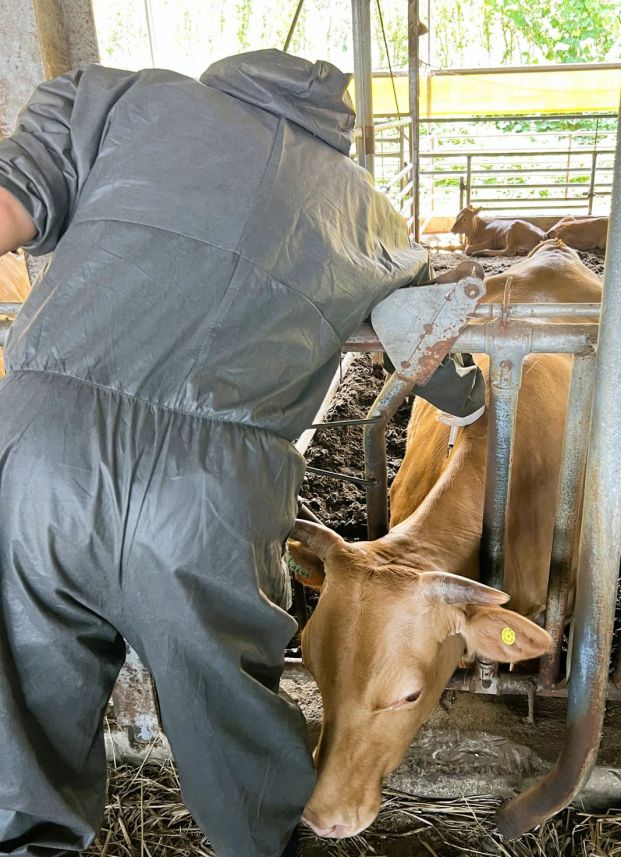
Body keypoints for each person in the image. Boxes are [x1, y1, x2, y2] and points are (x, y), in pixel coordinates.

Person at [0, 49, 484, 855]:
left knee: (26, 693)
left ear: (228, 77)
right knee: (228, 703)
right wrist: (475, 396)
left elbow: (11, 203)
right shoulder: (372, 217)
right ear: (340, 130)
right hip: (211, 494)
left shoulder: (121, 99)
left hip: (39, 449)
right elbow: (436, 362)